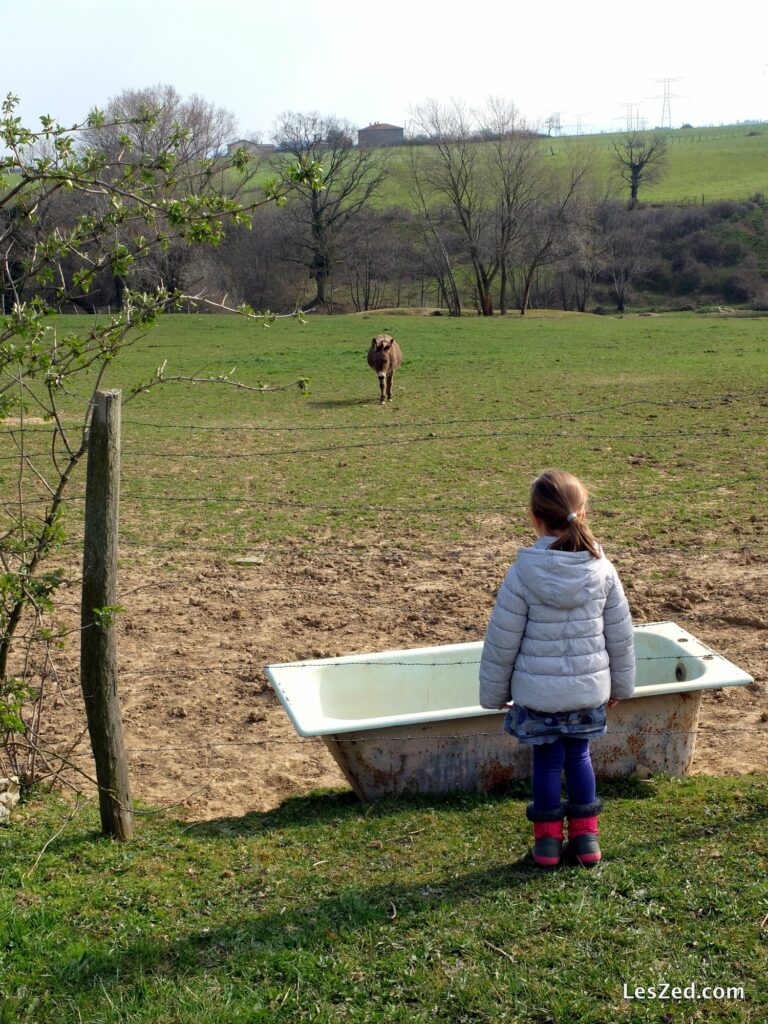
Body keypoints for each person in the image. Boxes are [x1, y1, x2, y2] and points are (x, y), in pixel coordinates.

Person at [479, 469, 635, 868]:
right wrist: (622, 685)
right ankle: (586, 842)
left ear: (534, 518)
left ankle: (547, 846)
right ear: (582, 513)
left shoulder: (523, 573)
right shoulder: (603, 570)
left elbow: (502, 640)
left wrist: (494, 694)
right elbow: (620, 635)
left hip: (538, 694)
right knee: (579, 758)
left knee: (547, 762)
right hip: (587, 691)